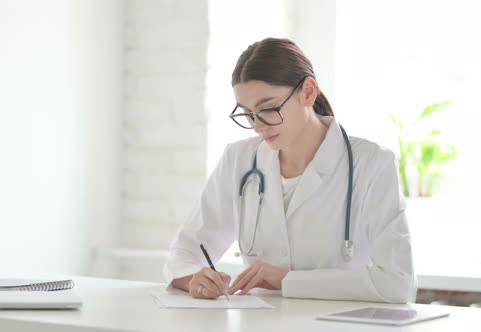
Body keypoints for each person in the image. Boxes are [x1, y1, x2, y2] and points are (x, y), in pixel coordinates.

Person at [164, 37, 416, 303]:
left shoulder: (372, 164)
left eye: (268, 109)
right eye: (248, 113)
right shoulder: (238, 159)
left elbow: (398, 283)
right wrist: (196, 279)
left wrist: (287, 280)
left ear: (308, 92)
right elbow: (185, 252)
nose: (258, 126)